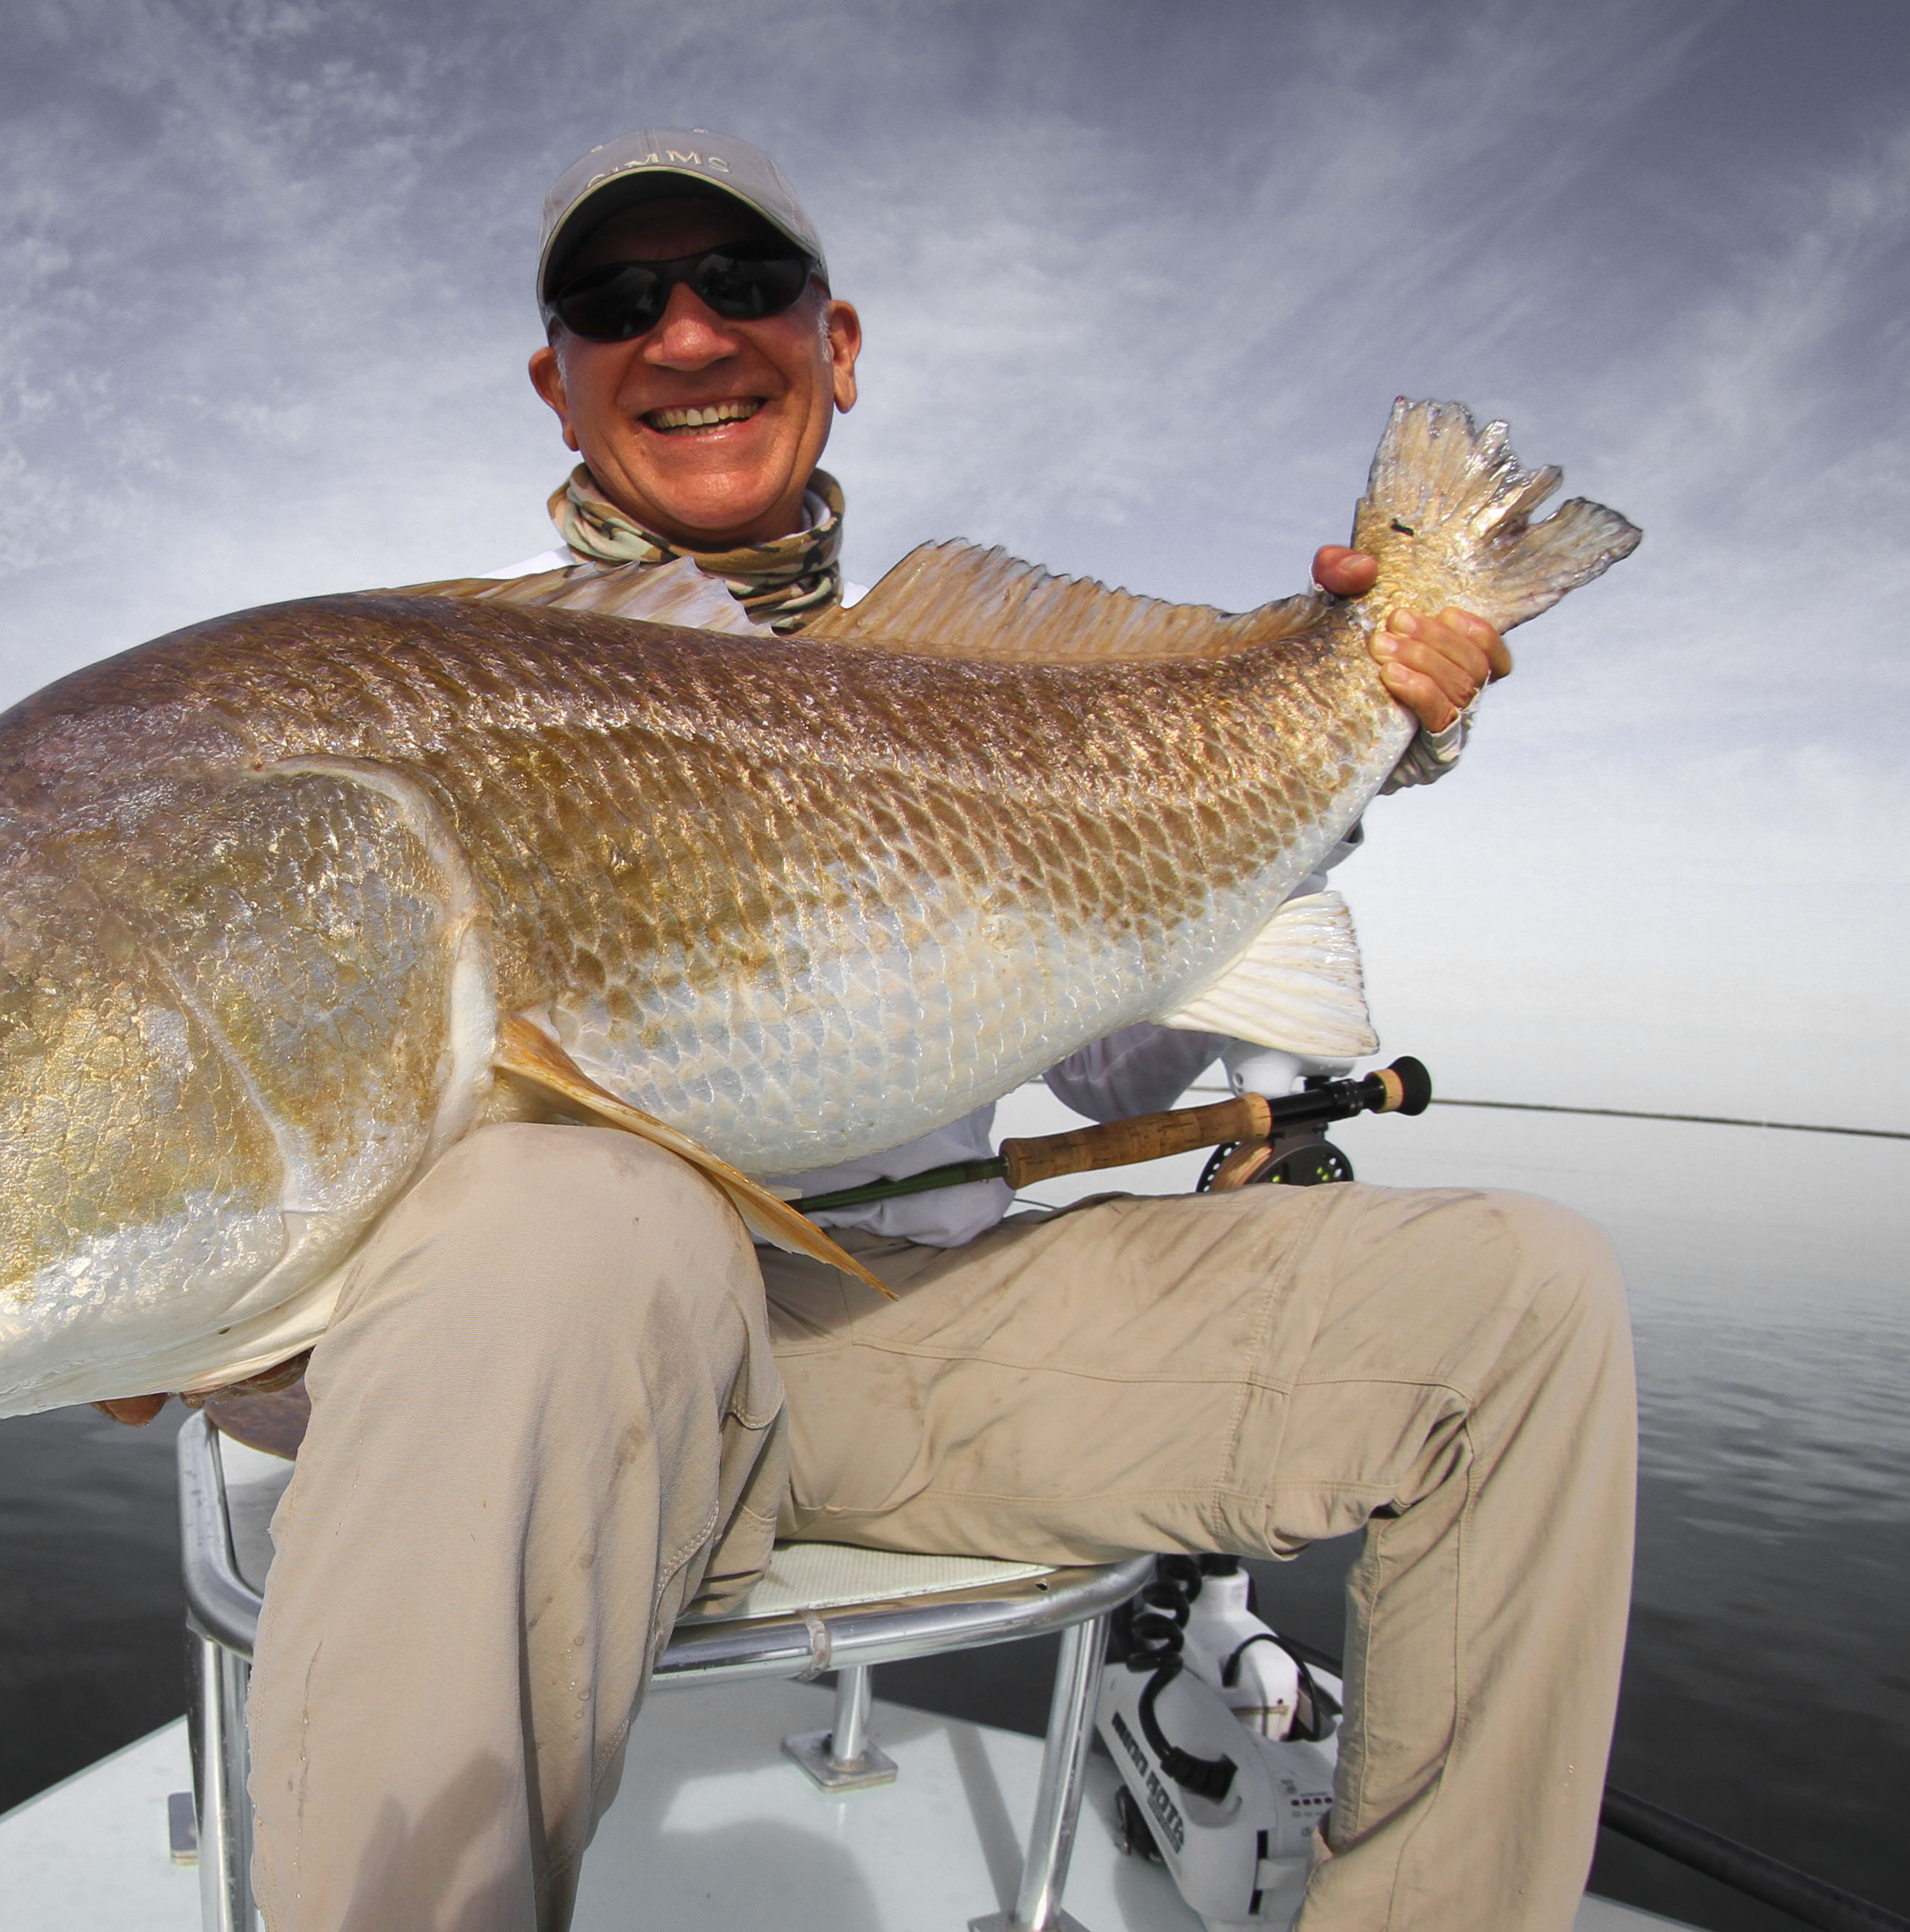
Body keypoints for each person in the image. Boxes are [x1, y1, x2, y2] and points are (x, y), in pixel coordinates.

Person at [201, 131, 1635, 1932]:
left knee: (1525, 1298)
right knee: (569, 1213)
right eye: (616, 301)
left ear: (840, 345)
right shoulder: (439, 692)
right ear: (556, 382)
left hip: (922, 1339)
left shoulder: (978, 691)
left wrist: (1347, 746)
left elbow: (1121, 1057)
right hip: (583, 1382)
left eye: (743, 286)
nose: (688, 334)